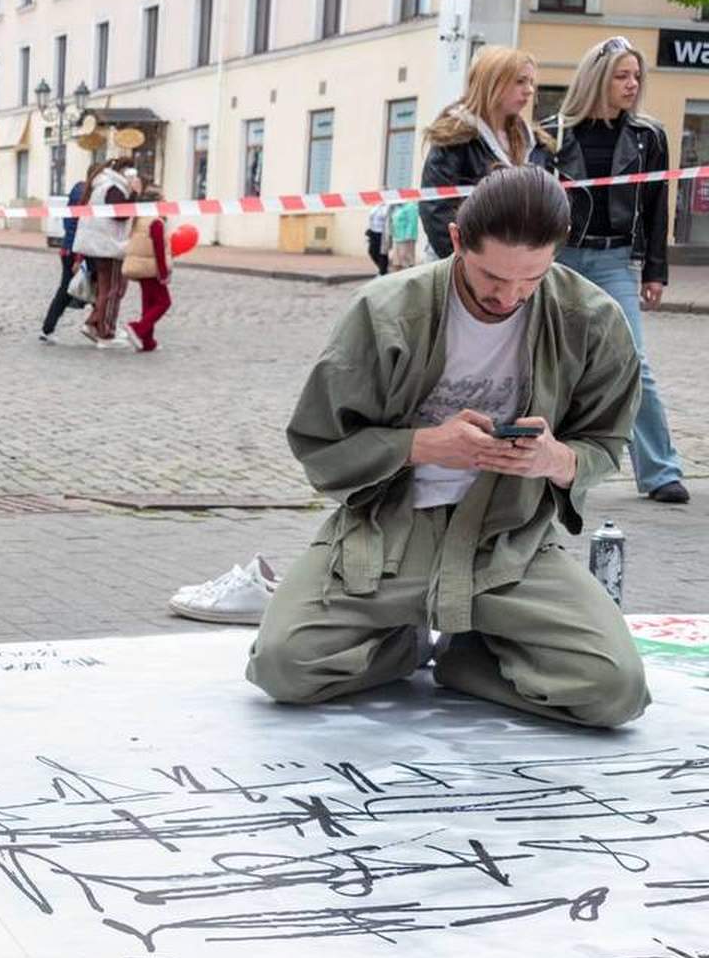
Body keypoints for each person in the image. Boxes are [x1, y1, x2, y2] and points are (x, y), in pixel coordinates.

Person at [247, 167, 648, 729]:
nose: (508, 297)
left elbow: (605, 439)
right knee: (283, 668)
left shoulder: (592, 319)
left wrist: (556, 460)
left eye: (532, 278)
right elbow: (320, 445)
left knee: (615, 691)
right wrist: (421, 445)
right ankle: (404, 643)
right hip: (387, 534)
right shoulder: (386, 311)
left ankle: (468, 656)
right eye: (491, 276)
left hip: (508, 541)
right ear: (457, 240)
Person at [535, 34, 687, 505]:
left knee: (633, 363)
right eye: (622, 75)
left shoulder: (649, 136)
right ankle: (538, 464)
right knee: (546, 362)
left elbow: (659, 207)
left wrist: (654, 271)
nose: (631, 83)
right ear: (597, 78)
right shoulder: (552, 133)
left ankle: (661, 471)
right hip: (557, 258)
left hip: (614, 258)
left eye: (636, 76)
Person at [418, 45, 551, 259]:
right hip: (463, 262)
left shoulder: (533, 142)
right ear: (492, 82)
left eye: (531, 82)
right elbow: (436, 208)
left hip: (516, 262)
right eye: (520, 81)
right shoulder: (455, 136)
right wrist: (464, 260)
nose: (529, 90)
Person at [71, 156, 132, 344]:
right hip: (110, 245)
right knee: (113, 289)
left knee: (105, 289)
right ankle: (105, 332)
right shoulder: (113, 187)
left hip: (100, 245)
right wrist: (135, 193)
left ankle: (93, 323)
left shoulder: (102, 184)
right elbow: (121, 215)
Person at [38, 172, 90, 343]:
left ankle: (48, 328)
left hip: (68, 249)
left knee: (70, 290)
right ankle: (98, 326)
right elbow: (79, 227)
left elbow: (70, 224)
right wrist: (79, 257)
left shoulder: (77, 191)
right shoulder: (85, 194)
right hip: (74, 251)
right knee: (85, 289)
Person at [120, 182, 172, 352]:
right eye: (163, 199)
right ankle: (137, 328)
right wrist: (163, 273)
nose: (166, 202)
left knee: (148, 304)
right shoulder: (156, 222)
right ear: (156, 202)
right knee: (164, 302)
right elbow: (158, 250)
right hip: (151, 268)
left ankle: (147, 341)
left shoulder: (140, 219)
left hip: (140, 266)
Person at [389, 200, 421, 270]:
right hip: (397, 237)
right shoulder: (398, 207)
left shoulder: (410, 206)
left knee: (406, 260)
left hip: (406, 238)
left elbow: (412, 223)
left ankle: (408, 276)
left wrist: (408, 237)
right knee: (396, 261)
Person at [365, 202, 392, 276]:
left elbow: (387, 218)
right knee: (372, 252)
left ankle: (383, 272)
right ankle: (383, 269)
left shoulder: (388, 206)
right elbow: (371, 218)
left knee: (382, 253)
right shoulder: (376, 206)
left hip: (383, 233)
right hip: (373, 232)